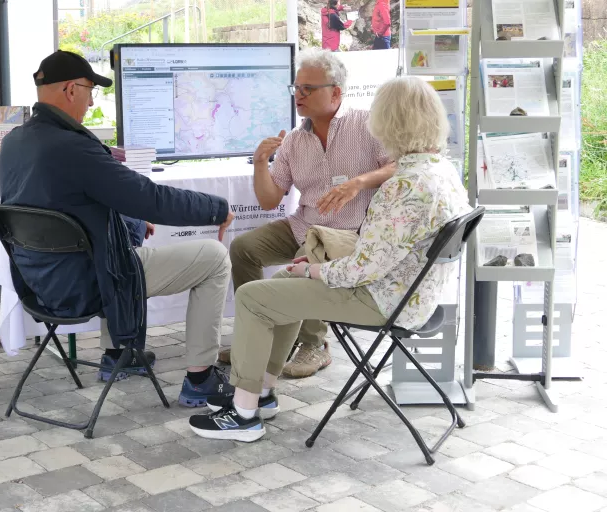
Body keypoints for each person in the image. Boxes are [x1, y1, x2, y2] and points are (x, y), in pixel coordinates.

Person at [188, 76, 473, 442]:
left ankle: (243, 415)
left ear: (389, 122)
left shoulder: (403, 185)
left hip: (382, 299)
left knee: (252, 297)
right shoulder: (442, 170)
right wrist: (307, 270)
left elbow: (362, 270)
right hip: (412, 296)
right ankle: (261, 392)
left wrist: (314, 269)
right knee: (282, 285)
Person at [0, 50, 237, 408]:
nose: (92, 99)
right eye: (90, 90)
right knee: (214, 258)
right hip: (90, 284)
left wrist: (135, 222)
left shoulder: (15, 142)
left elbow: (66, 205)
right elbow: (150, 197)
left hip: (40, 283)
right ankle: (201, 378)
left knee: (117, 242)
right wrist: (216, 209)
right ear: (70, 90)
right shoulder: (73, 147)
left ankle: (117, 356)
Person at [217, 48, 394, 378]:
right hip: (305, 224)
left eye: (308, 89)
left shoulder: (368, 125)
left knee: (306, 256)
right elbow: (270, 200)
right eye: (296, 88)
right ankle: (260, 331)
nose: (299, 96)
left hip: (352, 231)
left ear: (336, 91)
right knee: (243, 249)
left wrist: (359, 182)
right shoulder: (295, 140)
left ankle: (314, 343)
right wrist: (259, 163)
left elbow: (399, 165)